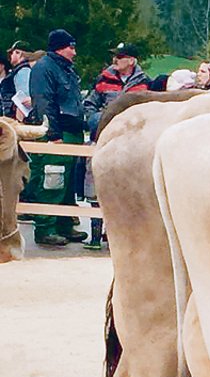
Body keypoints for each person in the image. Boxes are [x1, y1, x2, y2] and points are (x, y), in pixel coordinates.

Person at [26, 29, 88, 247]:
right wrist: (53, 134)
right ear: (60, 47)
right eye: (71, 47)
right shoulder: (44, 69)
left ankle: (64, 224)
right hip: (58, 133)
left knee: (68, 183)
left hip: (72, 131)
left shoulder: (67, 69)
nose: (74, 51)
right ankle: (45, 227)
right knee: (52, 179)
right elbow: (44, 102)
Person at [84, 42, 150, 136]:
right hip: (105, 129)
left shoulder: (145, 82)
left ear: (131, 61)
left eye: (119, 57)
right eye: (114, 56)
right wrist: (95, 119)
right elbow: (89, 103)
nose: (114, 60)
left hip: (133, 131)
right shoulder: (103, 79)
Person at [4, 41, 37, 121]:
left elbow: (23, 100)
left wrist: (19, 123)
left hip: (15, 118)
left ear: (18, 53)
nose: (10, 56)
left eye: (12, 53)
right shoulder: (21, 70)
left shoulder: (22, 70)